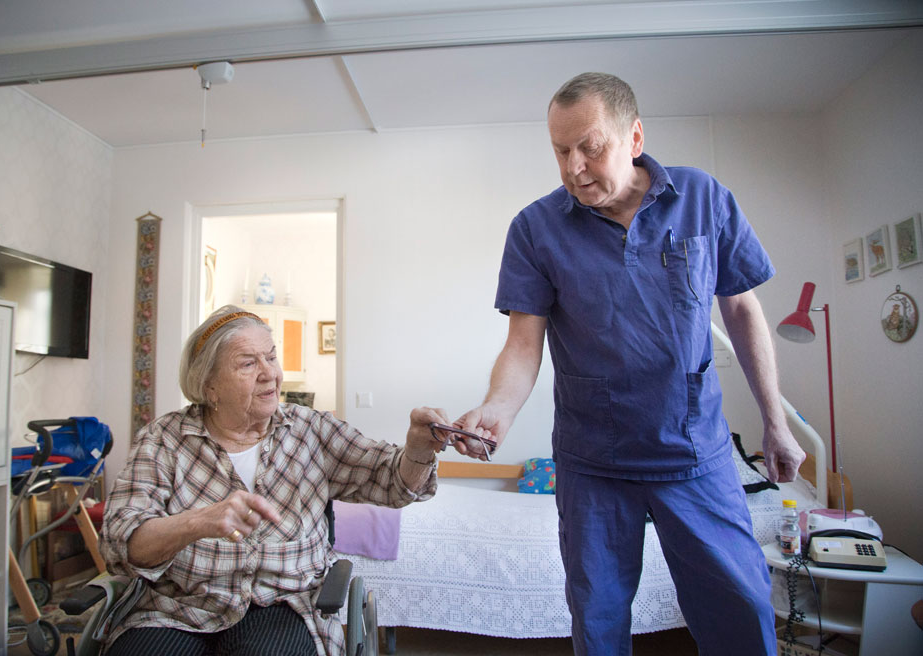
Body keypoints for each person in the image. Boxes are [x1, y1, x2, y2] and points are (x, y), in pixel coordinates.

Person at [454, 73, 806, 655]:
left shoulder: (703, 198)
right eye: (560, 150)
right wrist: (497, 409)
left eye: (590, 146)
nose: (573, 167)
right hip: (595, 459)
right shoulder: (535, 229)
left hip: (695, 450)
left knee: (740, 607)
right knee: (598, 619)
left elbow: (741, 310)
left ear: (634, 137)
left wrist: (776, 421)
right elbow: (523, 343)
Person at [100, 305, 454, 656]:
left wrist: (418, 450)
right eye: (249, 363)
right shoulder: (164, 439)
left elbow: (392, 480)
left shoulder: (310, 430)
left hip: (284, 604)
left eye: (271, 357)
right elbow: (121, 543)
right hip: (176, 607)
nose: (270, 374)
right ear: (209, 387)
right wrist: (196, 522)